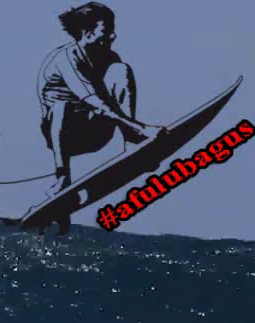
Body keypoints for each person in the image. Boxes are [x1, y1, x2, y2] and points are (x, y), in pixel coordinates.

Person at [38, 2, 164, 196]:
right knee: (61, 108)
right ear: (87, 33)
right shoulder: (66, 58)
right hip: (65, 137)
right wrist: (142, 128)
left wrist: (135, 129)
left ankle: (131, 141)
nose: (113, 36)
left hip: (96, 132)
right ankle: (62, 176)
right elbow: (93, 100)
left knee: (121, 69)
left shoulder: (109, 57)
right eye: (106, 30)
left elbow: (112, 97)